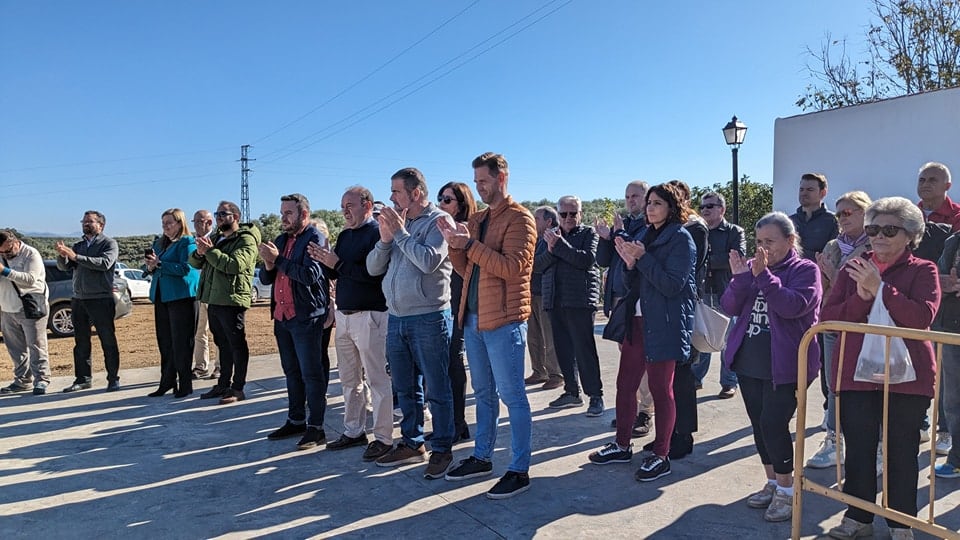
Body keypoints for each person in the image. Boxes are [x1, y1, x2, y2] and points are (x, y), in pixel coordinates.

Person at [821, 197, 939, 540]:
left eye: (889, 229)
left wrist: (881, 290)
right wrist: (862, 296)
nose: (879, 237)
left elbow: (921, 318)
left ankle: (902, 524)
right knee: (858, 449)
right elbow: (828, 319)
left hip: (908, 380)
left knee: (901, 453)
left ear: (910, 235)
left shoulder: (923, 270)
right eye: (873, 229)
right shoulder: (851, 268)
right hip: (857, 376)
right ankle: (858, 518)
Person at [439, 152, 537, 499]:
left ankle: (519, 469)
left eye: (483, 181)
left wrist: (470, 244)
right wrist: (455, 245)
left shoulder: (520, 219)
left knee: (513, 395)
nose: (479, 187)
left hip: (506, 320)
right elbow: (469, 271)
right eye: (476, 181)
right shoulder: (479, 219)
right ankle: (482, 456)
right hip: (476, 318)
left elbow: (511, 268)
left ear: (502, 178)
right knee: (482, 394)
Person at [587, 183, 696, 483]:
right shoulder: (644, 233)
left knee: (662, 391)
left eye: (657, 203)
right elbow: (632, 276)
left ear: (672, 207)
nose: (649, 208)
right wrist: (631, 263)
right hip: (636, 322)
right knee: (625, 385)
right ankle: (622, 444)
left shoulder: (681, 239)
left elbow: (673, 285)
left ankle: (661, 455)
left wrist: (642, 259)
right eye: (649, 202)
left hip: (664, 324)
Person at [721, 211, 822, 523]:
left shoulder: (806, 270)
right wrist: (740, 278)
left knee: (773, 424)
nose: (762, 248)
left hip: (786, 364)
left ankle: (787, 490)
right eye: (759, 241)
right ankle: (772, 481)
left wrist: (763, 275)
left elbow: (792, 306)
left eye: (770, 242)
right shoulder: (753, 270)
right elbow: (729, 306)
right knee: (758, 424)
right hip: (751, 359)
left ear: (790, 241)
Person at [366, 167, 456, 477]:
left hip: (430, 318)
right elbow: (373, 268)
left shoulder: (439, 221)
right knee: (404, 388)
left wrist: (401, 233)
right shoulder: (396, 226)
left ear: (415, 194)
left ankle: (442, 448)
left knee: (437, 388)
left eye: (396, 192)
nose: (390, 198)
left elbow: (430, 261)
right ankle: (412, 442)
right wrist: (385, 240)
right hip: (397, 318)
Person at [309, 186, 394, 462]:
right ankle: (354, 430)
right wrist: (324, 261)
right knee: (349, 380)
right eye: (342, 205)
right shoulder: (345, 235)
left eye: (351, 205)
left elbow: (373, 274)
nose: (345, 211)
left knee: (377, 379)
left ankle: (383, 437)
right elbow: (339, 270)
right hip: (345, 316)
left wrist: (338, 263)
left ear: (367, 205)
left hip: (371, 315)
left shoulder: (377, 234)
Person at [258, 194, 330, 450]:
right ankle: (296, 419)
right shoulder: (281, 240)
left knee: (311, 373)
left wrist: (277, 259)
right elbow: (267, 280)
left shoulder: (315, 238)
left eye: (289, 213)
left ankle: (316, 428)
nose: (283, 218)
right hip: (282, 317)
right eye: (282, 213)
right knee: (291, 372)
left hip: (305, 316)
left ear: (304, 215)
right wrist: (268, 263)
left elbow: (310, 275)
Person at [806, 191, 872, 469]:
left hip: (861, 328)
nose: (842, 219)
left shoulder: (874, 245)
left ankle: (870, 445)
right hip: (832, 323)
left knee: (863, 387)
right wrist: (826, 275)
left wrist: (833, 274)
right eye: (838, 214)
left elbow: (858, 289)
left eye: (848, 212)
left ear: (864, 213)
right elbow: (825, 289)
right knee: (834, 384)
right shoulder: (834, 244)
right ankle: (833, 441)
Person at [596, 181, 654, 436]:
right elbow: (602, 260)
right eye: (628, 196)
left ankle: (644, 412)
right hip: (620, 298)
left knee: (643, 361)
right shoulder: (625, 225)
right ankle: (629, 410)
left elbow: (637, 254)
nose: (631, 200)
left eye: (636, 196)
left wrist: (618, 235)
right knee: (628, 359)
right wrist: (606, 238)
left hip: (638, 301)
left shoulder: (649, 227)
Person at [190, 200, 261, 405]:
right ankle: (223, 383)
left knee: (236, 344)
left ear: (235, 217)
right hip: (213, 298)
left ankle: (238, 387)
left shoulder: (245, 239)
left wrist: (210, 252)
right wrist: (200, 252)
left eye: (224, 214)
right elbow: (195, 262)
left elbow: (235, 265)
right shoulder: (217, 238)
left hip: (232, 299)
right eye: (218, 214)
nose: (219, 217)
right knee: (222, 344)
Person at [543, 195, 604, 417]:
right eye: (564, 214)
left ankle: (595, 396)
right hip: (554, 300)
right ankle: (571, 391)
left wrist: (558, 247)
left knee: (584, 350)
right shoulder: (549, 235)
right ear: (557, 215)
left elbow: (586, 260)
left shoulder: (589, 234)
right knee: (563, 350)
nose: (568, 218)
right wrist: (552, 250)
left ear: (580, 213)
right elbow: (538, 264)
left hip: (579, 301)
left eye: (573, 213)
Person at [56, 210, 122, 393]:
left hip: (100, 298)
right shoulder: (78, 245)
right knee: (81, 342)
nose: (85, 224)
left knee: (107, 340)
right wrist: (63, 255)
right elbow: (65, 267)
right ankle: (83, 379)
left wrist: (75, 256)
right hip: (79, 299)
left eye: (90, 221)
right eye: (83, 221)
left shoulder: (109, 243)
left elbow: (104, 264)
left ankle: (113, 378)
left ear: (101, 225)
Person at [436, 181, 477, 443]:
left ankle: (458, 424)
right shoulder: (437, 228)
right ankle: (450, 423)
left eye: (447, 200)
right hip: (437, 304)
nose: (441, 204)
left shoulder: (468, 229)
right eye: (440, 198)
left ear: (461, 204)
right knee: (441, 366)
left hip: (460, 304)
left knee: (453, 362)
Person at [693, 191, 745, 398]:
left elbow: (736, 257)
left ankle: (729, 381)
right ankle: (696, 378)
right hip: (703, 291)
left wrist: (707, 261)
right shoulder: (697, 231)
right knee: (703, 335)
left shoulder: (735, 232)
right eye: (703, 207)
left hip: (728, 292)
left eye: (710, 206)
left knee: (729, 339)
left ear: (722, 209)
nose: (705, 210)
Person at [143, 209, 200, 398]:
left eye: (169, 222)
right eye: (163, 223)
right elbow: (156, 267)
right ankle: (166, 381)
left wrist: (160, 265)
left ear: (180, 223)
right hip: (162, 297)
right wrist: (151, 266)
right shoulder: (160, 243)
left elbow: (187, 268)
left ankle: (185, 383)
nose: (166, 226)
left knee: (181, 342)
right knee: (165, 342)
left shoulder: (187, 242)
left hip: (181, 297)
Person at [0, 231, 51, 395]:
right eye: (1, 252)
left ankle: (41, 380)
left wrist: (4, 270)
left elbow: (30, 279)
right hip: (7, 308)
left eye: (8, 251)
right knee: (15, 349)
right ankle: (22, 381)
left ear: (15, 242)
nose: (5, 254)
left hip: (30, 306)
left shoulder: (31, 254)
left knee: (36, 345)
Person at [526, 206, 563, 390]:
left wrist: (526, 261)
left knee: (549, 337)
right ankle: (539, 371)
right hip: (532, 293)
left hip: (547, 294)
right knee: (533, 336)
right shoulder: (536, 239)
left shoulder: (554, 238)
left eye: (537, 218)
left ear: (549, 221)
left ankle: (556, 374)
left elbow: (540, 264)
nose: (533, 221)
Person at [191, 209, 218, 380]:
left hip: (215, 292)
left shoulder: (217, 239)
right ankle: (201, 366)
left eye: (199, 221)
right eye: (194, 221)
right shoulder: (192, 241)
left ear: (209, 222)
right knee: (199, 331)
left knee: (218, 331)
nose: (196, 225)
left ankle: (220, 366)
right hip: (199, 293)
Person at [790, 173, 839, 260]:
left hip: (819, 272)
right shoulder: (789, 222)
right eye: (801, 189)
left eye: (810, 190)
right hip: (789, 272)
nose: (804, 193)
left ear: (823, 193)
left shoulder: (833, 221)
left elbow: (834, 254)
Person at [917, 161, 960, 232]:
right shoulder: (906, 215)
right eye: (922, 180)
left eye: (932, 180)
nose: (925, 184)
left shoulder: (957, 216)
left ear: (947, 186)